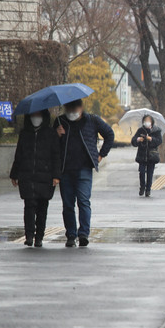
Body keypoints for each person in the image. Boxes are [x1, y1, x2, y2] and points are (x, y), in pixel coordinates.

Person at [55, 99, 114, 247]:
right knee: (68, 204)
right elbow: (51, 145)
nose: (72, 112)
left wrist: (101, 155)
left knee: (83, 202)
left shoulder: (92, 120)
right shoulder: (60, 121)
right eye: (69, 108)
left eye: (75, 108)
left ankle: (83, 234)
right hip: (65, 170)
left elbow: (109, 134)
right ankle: (71, 234)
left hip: (84, 169)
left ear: (81, 108)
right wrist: (55, 134)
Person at [10, 109, 61, 247]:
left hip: (45, 176)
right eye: (33, 115)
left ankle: (39, 236)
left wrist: (56, 175)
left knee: (42, 208)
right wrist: (14, 174)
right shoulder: (24, 134)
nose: (35, 118)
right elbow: (19, 155)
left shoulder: (50, 134)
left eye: (38, 115)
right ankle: (29, 235)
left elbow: (56, 156)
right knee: (29, 207)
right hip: (27, 176)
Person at [131, 114, 162, 197]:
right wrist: (138, 140)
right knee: (141, 172)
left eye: (148, 120)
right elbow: (133, 141)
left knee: (150, 173)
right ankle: (142, 187)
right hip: (142, 155)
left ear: (151, 121)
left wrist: (150, 139)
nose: (147, 122)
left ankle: (148, 189)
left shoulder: (156, 130)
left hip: (152, 155)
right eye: (145, 120)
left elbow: (159, 141)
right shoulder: (140, 130)